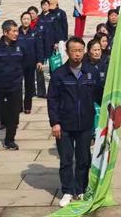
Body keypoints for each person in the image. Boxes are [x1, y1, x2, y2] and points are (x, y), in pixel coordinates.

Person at [47, 37, 100, 208]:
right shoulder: (59, 74)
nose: (77, 54)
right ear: (67, 52)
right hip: (64, 125)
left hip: (85, 124)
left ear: (84, 51)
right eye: (74, 50)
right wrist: (55, 123)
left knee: (84, 159)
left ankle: (81, 189)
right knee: (66, 160)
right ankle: (68, 190)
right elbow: (52, 100)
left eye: (80, 50)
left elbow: (100, 95)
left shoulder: (91, 72)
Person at [0, 19, 27, 150]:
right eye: (14, 31)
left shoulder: (21, 45)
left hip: (15, 86)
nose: (17, 33)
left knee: (14, 115)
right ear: (5, 32)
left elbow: (24, 63)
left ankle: (10, 139)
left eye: (17, 31)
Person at [18, 12, 44, 114]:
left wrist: (40, 61)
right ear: (21, 20)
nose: (26, 21)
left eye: (28, 19)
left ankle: (27, 106)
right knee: (18, 85)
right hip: (18, 63)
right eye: (24, 19)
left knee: (29, 85)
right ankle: (18, 106)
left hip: (30, 63)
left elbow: (39, 48)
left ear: (30, 20)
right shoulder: (16, 32)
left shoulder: (35, 32)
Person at [37, 0, 59, 97]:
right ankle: (41, 91)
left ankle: (53, 90)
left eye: (46, 5)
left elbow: (57, 30)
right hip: (41, 45)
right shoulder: (38, 18)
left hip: (51, 44)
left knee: (52, 67)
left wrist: (56, 42)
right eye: (43, 5)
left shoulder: (53, 17)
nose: (45, 6)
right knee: (40, 67)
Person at [86, 38, 108, 105]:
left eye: (99, 50)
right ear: (88, 51)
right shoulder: (83, 65)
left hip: (102, 100)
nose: (97, 52)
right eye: (95, 50)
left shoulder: (105, 64)